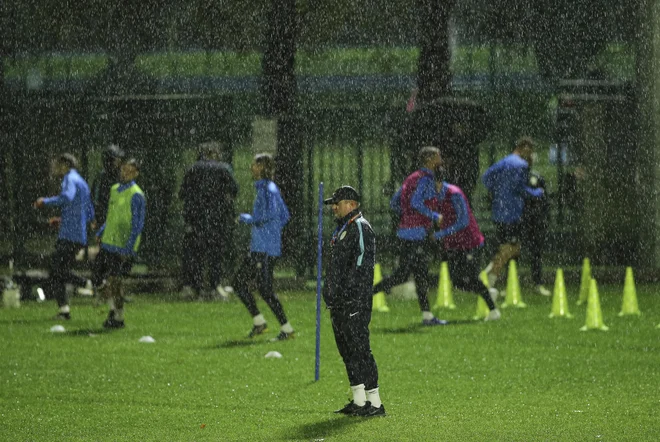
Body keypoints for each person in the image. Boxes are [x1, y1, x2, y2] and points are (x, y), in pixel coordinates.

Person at [323, 185, 385, 417]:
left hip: (354, 302)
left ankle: (376, 403)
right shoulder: (343, 229)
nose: (334, 209)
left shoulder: (360, 227)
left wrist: (349, 294)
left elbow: (361, 266)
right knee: (346, 349)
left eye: (336, 204)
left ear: (350, 204)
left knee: (360, 349)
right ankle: (359, 401)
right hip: (340, 302)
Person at [372, 146, 446, 326]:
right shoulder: (426, 179)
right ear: (429, 160)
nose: (441, 160)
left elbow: (395, 202)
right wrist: (433, 216)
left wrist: (405, 219)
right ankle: (362, 295)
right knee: (402, 276)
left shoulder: (412, 178)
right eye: (438, 157)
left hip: (405, 232)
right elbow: (416, 202)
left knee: (420, 274)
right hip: (415, 234)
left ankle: (427, 316)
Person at [234, 153, 294, 341]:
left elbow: (269, 214)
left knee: (261, 288)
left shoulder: (267, 189)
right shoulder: (269, 188)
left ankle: (286, 328)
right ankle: (260, 323)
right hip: (263, 247)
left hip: (264, 249)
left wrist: (247, 219)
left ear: (261, 167)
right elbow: (284, 216)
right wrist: (273, 233)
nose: (251, 167)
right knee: (242, 283)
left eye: (254, 164)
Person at [34, 153, 95, 320]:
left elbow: (67, 197)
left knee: (56, 271)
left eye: (57, 165)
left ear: (65, 165)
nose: (55, 169)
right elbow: (88, 211)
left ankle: (88, 285)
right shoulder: (82, 182)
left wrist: (45, 201)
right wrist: (63, 219)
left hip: (69, 235)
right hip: (78, 234)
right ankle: (64, 310)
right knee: (59, 271)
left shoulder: (69, 179)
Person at [431, 178, 501, 320]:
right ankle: (487, 293)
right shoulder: (435, 196)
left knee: (471, 277)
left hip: (469, 242)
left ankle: (494, 311)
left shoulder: (454, 193)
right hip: (453, 244)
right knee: (457, 281)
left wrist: (441, 234)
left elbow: (463, 221)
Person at [481, 137, 544, 292]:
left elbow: (486, 178)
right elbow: (519, 187)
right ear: (525, 148)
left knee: (507, 246)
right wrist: (536, 193)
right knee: (512, 247)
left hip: (498, 211)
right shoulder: (521, 165)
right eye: (530, 150)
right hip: (512, 212)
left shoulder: (504, 161)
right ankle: (491, 273)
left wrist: (497, 192)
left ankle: (494, 277)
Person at [179, 142, 239, 301]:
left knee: (195, 254)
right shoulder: (223, 169)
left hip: (195, 219)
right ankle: (214, 288)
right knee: (215, 255)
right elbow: (234, 190)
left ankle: (194, 288)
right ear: (215, 153)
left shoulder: (193, 169)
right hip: (217, 220)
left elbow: (182, 193)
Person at [93, 158, 146, 329]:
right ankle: (112, 309)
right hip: (108, 242)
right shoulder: (114, 189)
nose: (125, 173)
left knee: (115, 282)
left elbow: (138, 225)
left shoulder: (137, 194)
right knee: (97, 277)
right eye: (124, 170)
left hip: (122, 246)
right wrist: (101, 232)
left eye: (130, 171)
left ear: (136, 174)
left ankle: (118, 317)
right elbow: (112, 215)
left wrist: (129, 247)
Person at [521, 170, 551, 296]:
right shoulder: (517, 177)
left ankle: (538, 283)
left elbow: (545, 200)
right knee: (513, 252)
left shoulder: (537, 177)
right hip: (520, 220)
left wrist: (544, 219)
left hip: (535, 222)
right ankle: (510, 284)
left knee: (536, 253)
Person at [91, 144, 124, 228]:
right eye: (117, 160)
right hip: (105, 222)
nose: (119, 162)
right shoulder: (101, 178)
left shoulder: (121, 179)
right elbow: (93, 199)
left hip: (111, 222)